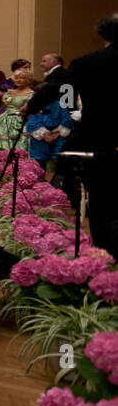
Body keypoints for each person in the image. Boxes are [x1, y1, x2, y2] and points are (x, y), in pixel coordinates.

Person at [67, 13, 118, 253]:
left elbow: (65, 90)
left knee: (100, 196)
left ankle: (104, 251)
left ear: (100, 34)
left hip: (99, 137)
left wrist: (70, 109)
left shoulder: (84, 63)